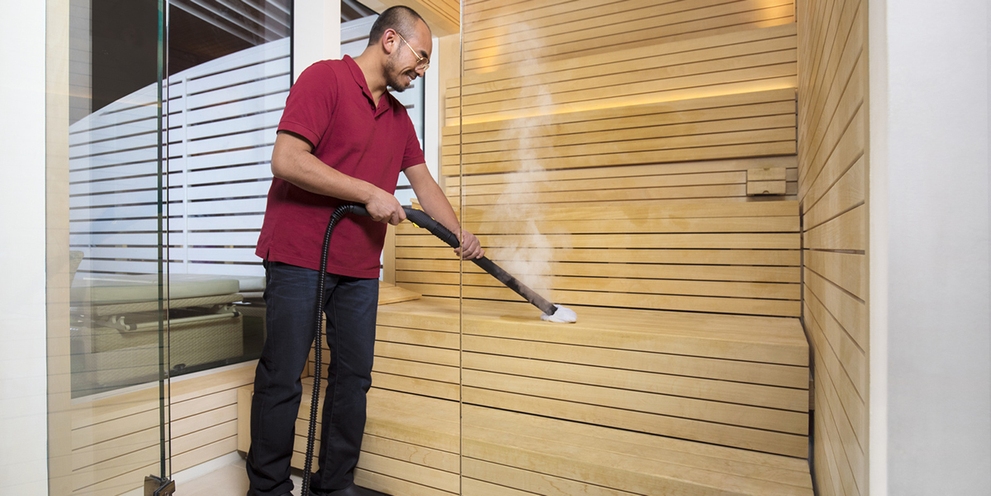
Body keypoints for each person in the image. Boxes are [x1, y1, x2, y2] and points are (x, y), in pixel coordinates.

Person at [245, 6, 483, 496]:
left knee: (352, 380)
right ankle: (267, 490)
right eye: (420, 59)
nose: (420, 72)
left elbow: (424, 183)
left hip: (358, 267)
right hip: (298, 255)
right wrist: (366, 191)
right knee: (283, 376)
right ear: (390, 40)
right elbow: (286, 160)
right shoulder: (324, 80)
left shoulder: (397, 119)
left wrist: (461, 234)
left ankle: (332, 486)